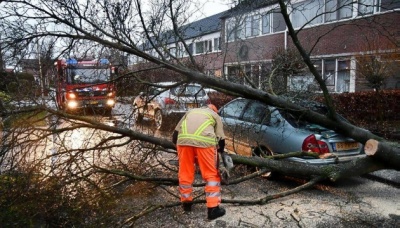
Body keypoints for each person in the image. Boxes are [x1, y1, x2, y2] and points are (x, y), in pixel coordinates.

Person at [172, 103, 226, 220]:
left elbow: (174, 136)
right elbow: (221, 142)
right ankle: (213, 209)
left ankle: (186, 203)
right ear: (215, 111)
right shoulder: (215, 115)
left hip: (183, 142)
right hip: (205, 143)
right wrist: (219, 154)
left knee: (185, 172)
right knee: (211, 174)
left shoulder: (190, 112)